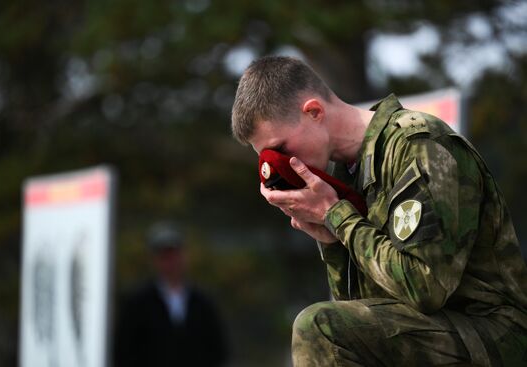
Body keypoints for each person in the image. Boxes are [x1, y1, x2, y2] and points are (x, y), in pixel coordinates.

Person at [231, 55, 527, 366]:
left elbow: (425, 288)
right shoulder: (348, 173)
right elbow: (362, 312)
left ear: (314, 111)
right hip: (436, 332)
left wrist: (337, 215)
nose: (277, 165)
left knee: (318, 327)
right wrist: (331, 239)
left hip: (491, 335)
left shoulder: (418, 144)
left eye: (280, 149)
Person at [113, 222, 228, 367]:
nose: (171, 262)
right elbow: (124, 352)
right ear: (155, 260)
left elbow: (217, 351)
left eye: (174, 255)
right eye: (164, 256)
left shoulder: (202, 303)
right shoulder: (137, 304)